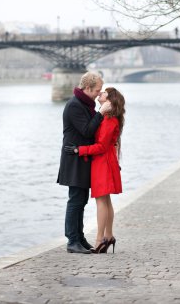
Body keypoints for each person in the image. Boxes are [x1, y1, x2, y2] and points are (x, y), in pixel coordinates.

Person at [65, 87, 125, 254]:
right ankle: (108, 236)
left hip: (102, 163)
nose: (100, 93)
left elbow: (101, 146)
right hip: (104, 162)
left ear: (110, 101)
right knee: (106, 201)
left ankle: (100, 240)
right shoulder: (107, 118)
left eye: (104, 92)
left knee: (101, 201)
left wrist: (79, 150)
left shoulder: (108, 120)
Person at [57, 72, 111, 254]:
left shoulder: (85, 104)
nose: (99, 93)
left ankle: (79, 238)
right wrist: (101, 113)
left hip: (82, 158)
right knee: (75, 200)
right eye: (97, 90)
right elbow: (87, 131)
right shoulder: (74, 105)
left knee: (81, 200)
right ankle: (72, 240)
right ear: (87, 88)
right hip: (74, 160)